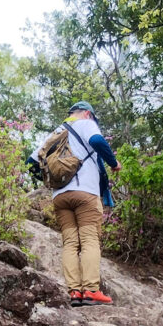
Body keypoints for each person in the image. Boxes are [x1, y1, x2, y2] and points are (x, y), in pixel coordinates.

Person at [50, 100, 121, 307]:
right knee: (89, 239)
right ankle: (90, 291)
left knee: (70, 243)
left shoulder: (56, 131)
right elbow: (97, 141)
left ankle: (74, 292)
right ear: (87, 114)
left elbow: (33, 162)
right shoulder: (85, 122)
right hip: (85, 192)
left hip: (59, 196)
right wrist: (114, 163)